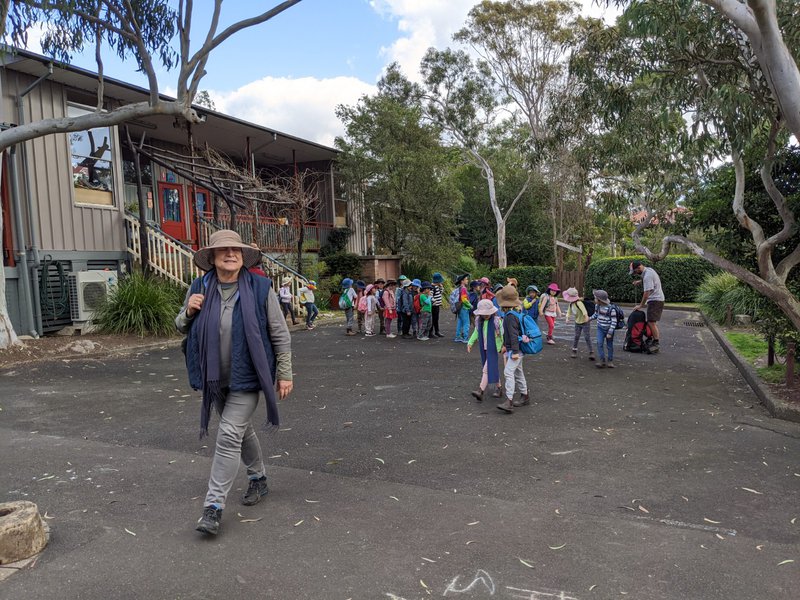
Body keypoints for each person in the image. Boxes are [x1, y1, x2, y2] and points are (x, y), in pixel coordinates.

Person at [176, 229, 293, 536]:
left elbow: (279, 333)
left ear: (243, 257)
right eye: (224, 250)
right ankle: (259, 478)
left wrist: (285, 373)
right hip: (214, 378)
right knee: (242, 431)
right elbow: (179, 325)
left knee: (228, 434)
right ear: (212, 258)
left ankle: (213, 508)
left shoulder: (259, 287)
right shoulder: (200, 286)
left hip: (249, 376)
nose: (231, 254)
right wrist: (189, 311)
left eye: (236, 251)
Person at [496, 284, 528, 413]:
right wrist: (506, 346)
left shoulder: (509, 317)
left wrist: (514, 351)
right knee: (518, 372)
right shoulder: (515, 313)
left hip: (516, 350)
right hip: (517, 349)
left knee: (508, 372)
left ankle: (509, 401)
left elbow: (513, 335)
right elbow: (509, 335)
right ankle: (525, 396)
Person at [467, 299, 504, 403]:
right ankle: (499, 388)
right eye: (483, 314)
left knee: (486, 369)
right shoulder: (479, 320)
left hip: (495, 348)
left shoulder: (497, 321)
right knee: (493, 368)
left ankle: (480, 391)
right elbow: (476, 332)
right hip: (484, 347)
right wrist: (470, 342)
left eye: (487, 313)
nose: (486, 315)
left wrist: (504, 345)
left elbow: (502, 334)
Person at [631, 260, 664, 353]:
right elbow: (649, 280)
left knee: (651, 322)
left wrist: (640, 305)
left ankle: (656, 343)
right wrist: (639, 281)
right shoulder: (649, 270)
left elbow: (646, 293)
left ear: (639, 268)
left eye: (635, 271)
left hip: (655, 300)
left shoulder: (647, 276)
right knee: (651, 321)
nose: (635, 273)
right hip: (657, 299)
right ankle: (652, 339)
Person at [563, 287, 594, 361]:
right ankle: (574, 350)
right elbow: (569, 312)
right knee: (576, 336)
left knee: (587, 337)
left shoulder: (579, 303)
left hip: (585, 322)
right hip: (577, 322)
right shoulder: (571, 304)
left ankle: (591, 352)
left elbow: (584, 312)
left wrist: (586, 318)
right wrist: (567, 318)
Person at [591, 289, 619, 368]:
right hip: (600, 328)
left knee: (609, 345)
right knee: (599, 343)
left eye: (595, 298)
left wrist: (610, 332)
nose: (594, 299)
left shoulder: (611, 309)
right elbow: (596, 315)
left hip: (609, 329)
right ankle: (602, 359)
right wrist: (589, 319)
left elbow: (614, 321)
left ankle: (610, 360)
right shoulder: (597, 306)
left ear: (600, 300)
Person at [454, 274, 471, 343]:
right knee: (466, 323)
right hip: (464, 307)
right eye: (466, 279)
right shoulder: (463, 288)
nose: (467, 280)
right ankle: (465, 338)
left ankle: (458, 337)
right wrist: (470, 305)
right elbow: (464, 299)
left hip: (459, 307)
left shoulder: (459, 288)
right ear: (462, 281)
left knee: (460, 322)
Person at [431, 272, 445, 337]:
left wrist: (441, 287)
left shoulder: (437, 286)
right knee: (433, 319)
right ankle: (431, 332)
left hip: (437, 306)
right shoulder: (432, 287)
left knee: (436, 319)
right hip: (433, 306)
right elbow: (430, 296)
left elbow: (440, 292)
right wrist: (434, 301)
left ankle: (437, 331)